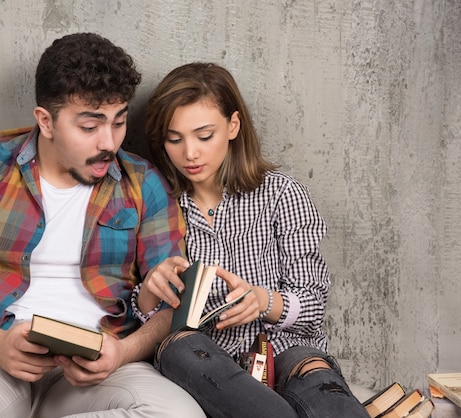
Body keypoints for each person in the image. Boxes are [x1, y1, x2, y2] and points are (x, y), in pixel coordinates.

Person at [0, 33, 205, 418]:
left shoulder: (144, 183)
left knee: (177, 414)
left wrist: (123, 352)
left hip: (97, 368)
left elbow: (170, 303)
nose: (109, 143)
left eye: (119, 122)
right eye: (90, 127)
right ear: (46, 121)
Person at [134, 62, 370, 418]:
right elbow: (151, 320)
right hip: (202, 357)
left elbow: (313, 307)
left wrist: (263, 301)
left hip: (286, 348)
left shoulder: (282, 195)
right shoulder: (158, 203)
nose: (190, 153)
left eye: (204, 135)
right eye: (174, 138)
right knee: (181, 348)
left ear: (233, 126)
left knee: (327, 395)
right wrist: (151, 289)